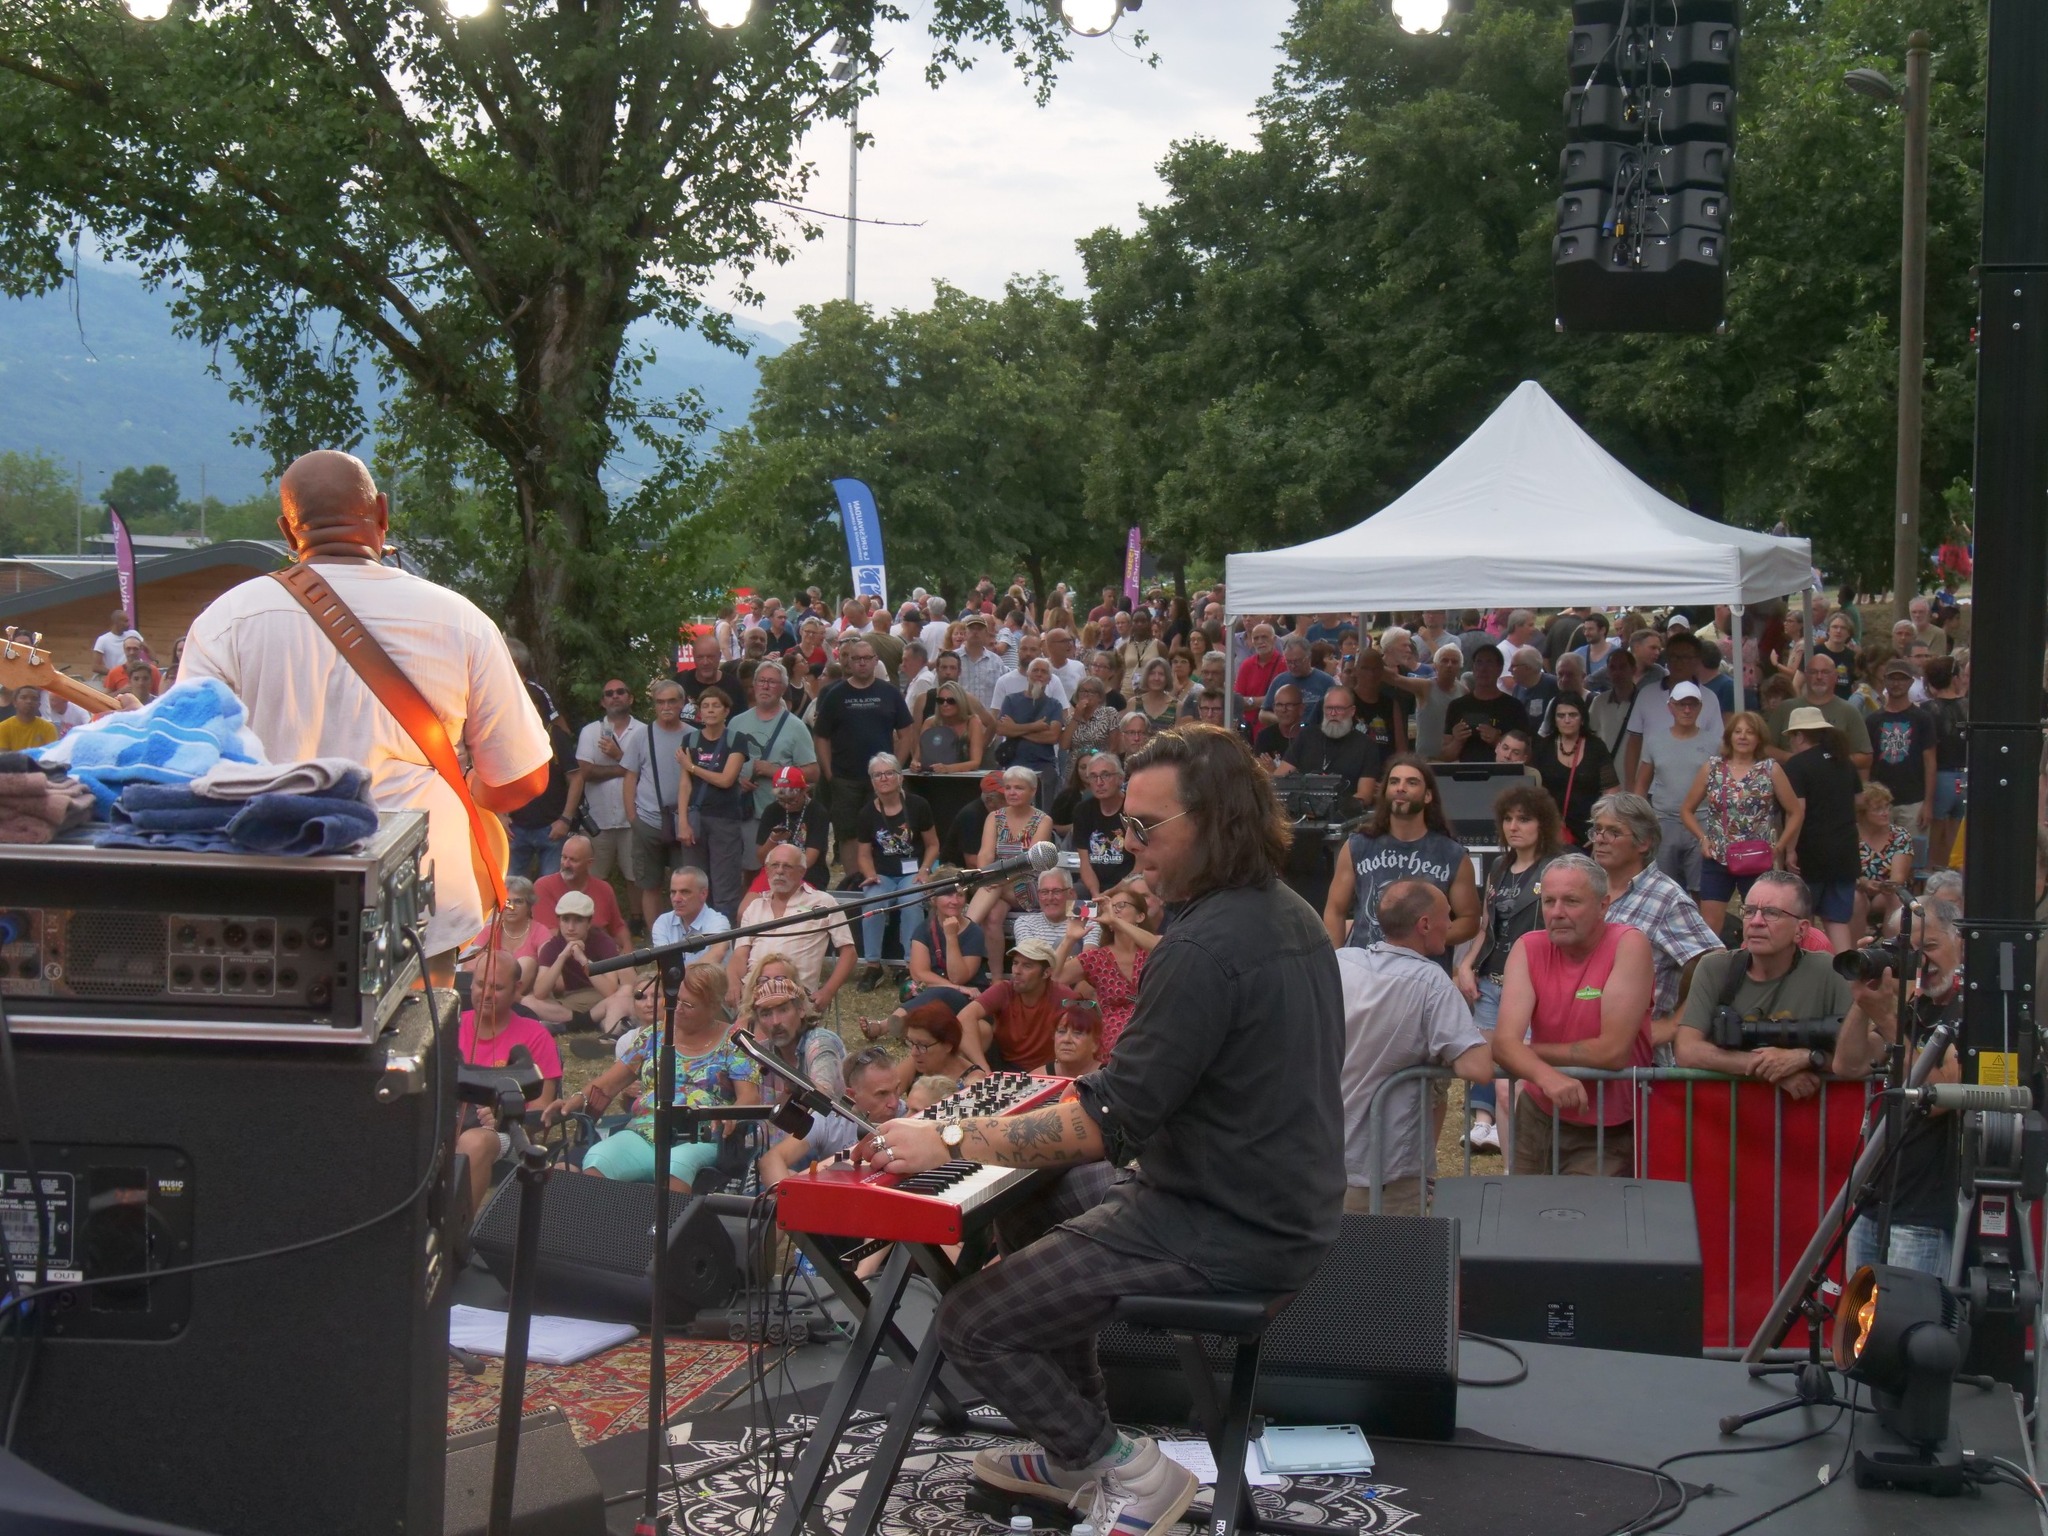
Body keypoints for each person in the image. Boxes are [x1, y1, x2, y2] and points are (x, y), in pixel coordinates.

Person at [863, 724, 1342, 1536]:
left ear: (1218, 821)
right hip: (1270, 1203)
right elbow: (1156, 1089)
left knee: (971, 1323)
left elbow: (1108, 1122)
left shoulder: (1201, 948)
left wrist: (946, 1140)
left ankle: (1126, 1470)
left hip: (1219, 1225)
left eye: (1147, 828)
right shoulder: (1286, 914)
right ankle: (1072, 1452)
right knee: (1035, 1201)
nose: (1130, 844)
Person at [178, 449, 549, 980]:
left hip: (274, 890)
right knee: (415, 1047)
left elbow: (191, 770)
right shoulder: (459, 619)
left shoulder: (227, 620)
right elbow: (523, 778)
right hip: (420, 894)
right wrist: (470, 789)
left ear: (287, 531)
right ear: (381, 514)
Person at [1487, 854, 1654, 1175]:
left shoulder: (1628, 944)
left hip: (1608, 1124)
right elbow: (1505, 1044)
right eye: (1548, 901)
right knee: (1524, 1218)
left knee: (1586, 1223)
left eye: (1571, 901)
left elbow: (1612, 1052)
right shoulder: (1529, 947)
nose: (1557, 912)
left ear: (1603, 905)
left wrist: (1529, 1055)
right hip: (1537, 1114)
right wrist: (1545, 1076)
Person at [1338, 880, 1491, 1213]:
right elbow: (1476, 1068)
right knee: (1392, 1264)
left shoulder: (1340, 961)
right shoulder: (1431, 982)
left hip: (1323, 1158)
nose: (1450, 924)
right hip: (1384, 1171)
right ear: (1424, 924)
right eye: (1447, 916)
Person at [1831, 900, 1966, 1279]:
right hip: (1875, 1197)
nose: (1921, 962)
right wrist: (1866, 994)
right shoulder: (1908, 1004)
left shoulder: (1970, 1011)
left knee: (1908, 1328)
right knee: (1861, 1330)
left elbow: (1939, 1098)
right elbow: (1848, 1065)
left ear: (1962, 945)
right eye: (1910, 951)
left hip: (1925, 1208)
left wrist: (1889, 1019)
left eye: (1930, 947)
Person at [550, 962, 760, 1193]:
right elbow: (608, 1084)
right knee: (599, 1160)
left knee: (676, 1166)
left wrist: (731, 1115)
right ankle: (605, 1225)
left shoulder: (735, 1041)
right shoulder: (654, 1034)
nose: (677, 1009)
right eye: (676, 1000)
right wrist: (574, 1102)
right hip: (645, 1132)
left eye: (688, 1004)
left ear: (713, 1006)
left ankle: (671, 1229)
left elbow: (749, 1096)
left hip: (699, 1138)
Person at [1673, 871, 1856, 1099]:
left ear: (1801, 929)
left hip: (1806, 1122)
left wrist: (1806, 1057)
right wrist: (1771, 1069)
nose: (1756, 922)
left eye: (1771, 913)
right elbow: (1687, 1050)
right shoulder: (1715, 968)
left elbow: (1861, 1057)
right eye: (1749, 911)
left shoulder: (1828, 971)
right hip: (1728, 1122)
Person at [1453, 786, 1562, 1153]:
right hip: (1489, 986)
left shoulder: (1558, 868)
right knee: (1497, 1080)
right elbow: (1486, 925)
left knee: (1511, 1085)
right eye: (1508, 818)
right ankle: (1510, 1174)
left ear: (1542, 823)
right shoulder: (1500, 866)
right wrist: (1466, 966)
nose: (1514, 826)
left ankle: (1526, 1169)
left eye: (1524, 819)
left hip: (1530, 990)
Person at [1588, 792, 1722, 1050]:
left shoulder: (1667, 898)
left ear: (1643, 843)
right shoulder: (1588, 887)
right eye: (1597, 830)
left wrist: (1675, 1025)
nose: (1601, 839)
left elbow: (1719, 964)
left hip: (1636, 1056)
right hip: (1584, 1044)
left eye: (1614, 832)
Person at [1322, 756, 1479, 965]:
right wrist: (1336, 963)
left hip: (1425, 974)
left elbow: (1470, 920)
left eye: (1411, 782)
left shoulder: (1453, 854)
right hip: (1367, 971)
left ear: (1428, 795)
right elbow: (1335, 910)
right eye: (1394, 782)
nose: (1401, 788)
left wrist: (1425, 938)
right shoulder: (1357, 845)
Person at [453, 948, 562, 1218]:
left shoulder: (535, 1036)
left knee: (475, 1142)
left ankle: (455, 1238)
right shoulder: (450, 1026)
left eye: (497, 987)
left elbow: (541, 1109)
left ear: (517, 989)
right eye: (480, 984)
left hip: (507, 1137)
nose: (486, 994)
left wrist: (504, 1115)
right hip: (446, 1126)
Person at [1679, 712, 1803, 939]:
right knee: (1710, 925)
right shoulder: (1713, 767)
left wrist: (1780, 847)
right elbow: (1686, 809)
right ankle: (1711, 968)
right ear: (1729, 736)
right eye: (1738, 731)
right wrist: (1702, 838)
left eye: (1750, 732)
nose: (1743, 737)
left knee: (1759, 921)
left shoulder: (1769, 769)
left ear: (1759, 738)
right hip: (1718, 855)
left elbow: (1795, 811)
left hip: (1756, 857)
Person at [726, 844, 857, 1009]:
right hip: (753, 999)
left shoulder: (822, 902)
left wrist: (827, 991)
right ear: (767, 870)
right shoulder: (754, 907)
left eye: (787, 866)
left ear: (802, 872)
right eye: (775, 865)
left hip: (796, 1000)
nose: (779, 871)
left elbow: (849, 953)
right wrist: (733, 983)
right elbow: (739, 955)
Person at [1779, 709, 1864, 952]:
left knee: (1803, 919)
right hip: (1845, 851)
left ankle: (1809, 975)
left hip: (1811, 851)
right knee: (1837, 920)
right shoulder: (1844, 761)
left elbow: (1798, 809)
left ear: (1799, 736)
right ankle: (1846, 976)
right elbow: (1859, 801)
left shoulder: (1797, 765)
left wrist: (1790, 850)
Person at [966, 767, 1056, 980]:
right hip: (996, 883)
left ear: (1033, 791)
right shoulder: (994, 818)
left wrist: (995, 878)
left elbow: (1031, 862)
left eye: (1019, 788)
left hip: (1029, 884)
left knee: (992, 893)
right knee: (993, 917)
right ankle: (997, 979)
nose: (1012, 792)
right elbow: (985, 855)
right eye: (1008, 788)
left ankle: (966, 928)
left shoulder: (1043, 820)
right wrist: (989, 876)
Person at [1052, 879, 1158, 1058]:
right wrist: (1069, 938)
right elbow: (1054, 977)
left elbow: (1160, 946)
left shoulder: (1151, 949)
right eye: (1110, 907)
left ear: (1140, 916)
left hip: (1154, 1038)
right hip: (1113, 1049)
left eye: (1121, 905)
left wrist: (1117, 921)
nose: (1114, 910)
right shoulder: (1097, 958)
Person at [854, 753, 938, 975]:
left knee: (911, 901)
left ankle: (912, 964)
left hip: (914, 872)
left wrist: (925, 869)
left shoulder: (919, 805)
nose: (883, 778)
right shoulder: (866, 813)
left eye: (889, 773)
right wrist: (870, 874)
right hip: (883, 874)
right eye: (877, 775)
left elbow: (932, 845)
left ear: (900, 777)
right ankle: (872, 965)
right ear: (872, 781)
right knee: (872, 903)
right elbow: (863, 854)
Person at [621, 680, 694, 930]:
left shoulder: (692, 736)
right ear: (654, 705)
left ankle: (685, 936)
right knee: (649, 884)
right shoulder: (642, 735)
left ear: (682, 703)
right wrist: (633, 818)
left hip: (683, 823)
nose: (666, 706)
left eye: (672, 700)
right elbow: (630, 776)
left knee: (685, 884)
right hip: (649, 820)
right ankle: (657, 942)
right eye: (661, 701)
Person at [560, 678, 647, 887]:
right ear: (602, 702)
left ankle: (635, 919)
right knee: (592, 877)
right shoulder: (590, 731)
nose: (615, 696)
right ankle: (592, 917)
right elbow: (585, 772)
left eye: (620, 691)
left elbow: (649, 773)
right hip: (597, 819)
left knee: (636, 877)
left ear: (631, 698)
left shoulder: (645, 731)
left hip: (633, 818)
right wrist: (627, 767)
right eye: (609, 694)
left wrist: (618, 756)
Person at [1632, 680, 1714, 894]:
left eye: (1692, 705)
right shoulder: (1654, 740)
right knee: (1663, 888)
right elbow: (1642, 784)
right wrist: (1637, 823)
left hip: (1702, 822)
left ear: (1700, 708)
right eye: (1681, 704)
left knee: (1700, 889)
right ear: (1671, 707)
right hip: (1664, 822)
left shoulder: (1715, 743)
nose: (1687, 710)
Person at [528, 890, 637, 1036]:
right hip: (571, 1000)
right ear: (559, 921)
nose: (571, 927)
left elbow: (609, 990)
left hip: (602, 998)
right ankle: (590, 1021)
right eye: (565, 920)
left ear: (589, 923)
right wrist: (562, 957)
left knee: (624, 992)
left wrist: (583, 960)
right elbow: (540, 992)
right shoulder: (553, 945)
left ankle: (570, 1025)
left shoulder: (603, 942)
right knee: (528, 1002)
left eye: (578, 920)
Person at [956, 938, 1075, 1070]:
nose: (1017, 971)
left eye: (1027, 966)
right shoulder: (1004, 989)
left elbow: (1087, 1031)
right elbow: (964, 1017)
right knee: (980, 1028)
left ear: (1046, 973)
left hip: (1046, 1069)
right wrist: (982, 1067)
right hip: (1002, 1062)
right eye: (1015, 963)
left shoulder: (1064, 996)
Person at [1868, 658, 1936, 852]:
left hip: (1913, 800)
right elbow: (1867, 761)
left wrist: (1928, 804)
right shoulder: (1873, 720)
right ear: (1884, 681)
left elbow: (1930, 761)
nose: (1896, 683)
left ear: (1911, 682)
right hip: (1880, 801)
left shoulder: (1922, 718)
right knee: (1880, 855)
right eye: (1892, 679)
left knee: (1914, 858)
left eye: (1902, 679)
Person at [1275, 685, 1382, 805]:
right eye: (1328, 708)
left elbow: (1364, 795)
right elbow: (1279, 778)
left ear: (1352, 711)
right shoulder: (1307, 736)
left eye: (1339, 709)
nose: (1333, 713)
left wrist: (1332, 808)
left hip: (1344, 817)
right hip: (1303, 812)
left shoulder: (1366, 745)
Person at [1764, 655, 1873, 772]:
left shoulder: (1849, 711)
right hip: (1790, 784)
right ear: (1805, 675)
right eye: (1813, 672)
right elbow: (1765, 749)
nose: (1819, 677)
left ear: (1835, 676)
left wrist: (1830, 760)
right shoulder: (1785, 708)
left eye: (1825, 672)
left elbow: (1866, 758)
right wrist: (1796, 759)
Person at [1531, 692, 1608, 847]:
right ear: (1554, 719)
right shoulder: (1543, 747)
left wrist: (1600, 829)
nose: (1567, 720)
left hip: (1589, 831)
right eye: (1561, 715)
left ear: (1582, 718)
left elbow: (1611, 792)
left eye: (1572, 715)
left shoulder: (1596, 747)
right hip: (1550, 829)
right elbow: (1533, 790)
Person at [532, 834, 631, 949]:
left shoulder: (604, 888)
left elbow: (618, 927)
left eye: (573, 860)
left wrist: (628, 955)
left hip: (602, 956)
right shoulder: (543, 886)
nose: (566, 864)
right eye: (564, 857)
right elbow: (549, 934)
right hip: (560, 956)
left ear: (589, 863)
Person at [1436, 646, 1524, 763]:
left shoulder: (1514, 707)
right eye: (1479, 662)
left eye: (1489, 663)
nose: (1483, 669)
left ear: (1499, 669)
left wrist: (1497, 741)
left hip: (1503, 775)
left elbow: (1526, 754)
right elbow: (1445, 757)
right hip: (1465, 775)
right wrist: (1457, 741)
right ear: (1473, 668)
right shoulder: (1457, 706)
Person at [1921, 656, 1968, 870]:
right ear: (1955, 678)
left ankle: (1934, 878)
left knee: (1935, 837)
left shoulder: (1926, 710)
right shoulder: (1969, 707)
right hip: (1966, 776)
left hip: (1941, 777)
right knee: (1958, 837)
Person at [1067, 752, 1135, 897]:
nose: (1099, 782)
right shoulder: (1082, 811)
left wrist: (1114, 892)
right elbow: (1085, 863)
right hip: (1093, 884)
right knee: (1071, 895)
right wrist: (1095, 893)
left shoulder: (1133, 809)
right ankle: (1075, 921)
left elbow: (1141, 864)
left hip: (1129, 882)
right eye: (1093, 776)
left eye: (1105, 775)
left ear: (1120, 778)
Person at [1855, 782, 1917, 935]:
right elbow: (1842, 871)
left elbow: (1897, 879)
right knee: (1855, 898)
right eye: (1878, 809)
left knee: (1893, 896)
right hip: (1856, 889)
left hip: (1887, 892)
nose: (1885, 813)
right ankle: (1854, 950)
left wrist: (1880, 887)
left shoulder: (1899, 836)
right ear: (1862, 812)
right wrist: (1863, 883)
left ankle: (1892, 952)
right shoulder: (1848, 834)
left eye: (1887, 807)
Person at [887, 1002, 987, 1096]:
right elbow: (888, 1089)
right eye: (910, 1042)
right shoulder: (919, 1060)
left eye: (922, 1045)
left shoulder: (973, 1081)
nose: (913, 1052)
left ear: (948, 1045)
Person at [755, 765, 830, 888]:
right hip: (773, 872)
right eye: (781, 800)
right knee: (749, 902)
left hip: (807, 873)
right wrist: (773, 839)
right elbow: (762, 858)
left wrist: (786, 871)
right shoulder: (772, 810)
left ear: (804, 790)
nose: (787, 806)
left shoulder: (817, 812)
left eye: (792, 800)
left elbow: (809, 859)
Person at [649, 866, 733, 968]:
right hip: (677, 982)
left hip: (710, 983)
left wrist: (684, 979)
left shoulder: (718, 921)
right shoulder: (663, 922)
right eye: (673, 892)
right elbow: (665, 964)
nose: (676, 899)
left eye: (684, 892)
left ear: (703, 894)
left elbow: (718, 952)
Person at [1411, 644, 1467, 760]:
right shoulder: (1425, 686)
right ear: (1435, 665)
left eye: (1454, 662)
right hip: (1425, 760)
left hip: (1452, 759)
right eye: (1444, 661)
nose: (1449, 665)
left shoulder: (1463, 691)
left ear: (1460, 667)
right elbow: (1396, 679)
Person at [915, 681, 987, 772]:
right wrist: (915, 764)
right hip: (932, 778)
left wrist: (948, 768)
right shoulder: (930, 723)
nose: (945, 704)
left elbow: (975, 763)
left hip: (964, 779)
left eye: (951, 701)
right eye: (940, 701)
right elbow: (917, 757)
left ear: (960, 702)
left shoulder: (973, 722)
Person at [1252, 684, 1305, 764]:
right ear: (1274, 709)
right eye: (1279, 705)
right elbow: (1261, 770)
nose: (1284, 710)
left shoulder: (1310, 737)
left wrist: (1275, 772)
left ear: (1301, 708)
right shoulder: (1264, 736)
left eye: (1289, 705)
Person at [1048, 1004, 1105, 1077]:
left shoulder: (1111, 1080)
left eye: (1077, 1033)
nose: (1067, 1039)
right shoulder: (1036, 1078)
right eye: (1061, 1031)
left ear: (1095, 1043)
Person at [104, 633, 164, 702]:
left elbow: (160, 695)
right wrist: (121, 691)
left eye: (135, 649)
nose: (131, 652)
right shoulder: (114, 672)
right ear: (124, 649)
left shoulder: (153, 670)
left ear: (141, 649)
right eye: (128, 649)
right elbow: (105, 697)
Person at [0, 686, 57, 752]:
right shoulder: (3, 727)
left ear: (39, 705)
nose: (29, 701)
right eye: (23, 697)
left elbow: (51, 755)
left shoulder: (48, 728)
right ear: (15, 703)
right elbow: (3, 758)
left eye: (34, 698)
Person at [1815, 612, 1859, 695]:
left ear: (1849, 633)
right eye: (1835, 627)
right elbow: (1797, 683)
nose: (1838, 631)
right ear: (1828, 631)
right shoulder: (1814, 652)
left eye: (1843, 628)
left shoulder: (1853, 657)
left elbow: (1857, 687)